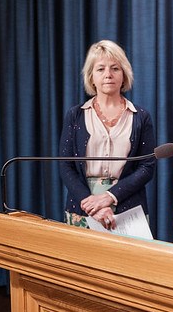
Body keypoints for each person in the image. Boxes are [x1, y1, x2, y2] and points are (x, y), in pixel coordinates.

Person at [59, 40, 156, 230]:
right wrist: (92, 205)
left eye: (115, 69)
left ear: (124, 75)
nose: (108, 75)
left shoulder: (141, 117)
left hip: (129, 210)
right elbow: (65, 166)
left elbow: (147, 167)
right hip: (83, 208)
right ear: (91, 77)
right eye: (100, 69)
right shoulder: (75, 115)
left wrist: (109, 197)